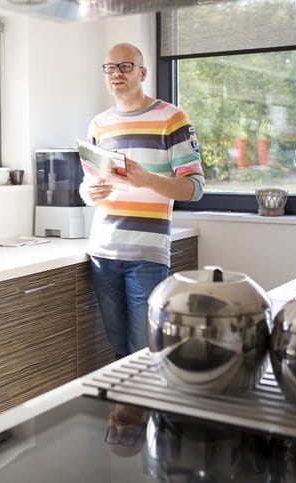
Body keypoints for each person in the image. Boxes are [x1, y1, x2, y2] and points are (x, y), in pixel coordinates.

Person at [79, 42, 204, 359]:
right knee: (119, 349)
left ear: (143, 72)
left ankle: (150, 409)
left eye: (125, 66)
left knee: (143, 349)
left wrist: (146, 178)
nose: (116, 73)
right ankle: (128, 410)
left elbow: (195, 187)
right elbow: (89, 183)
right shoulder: (99, 124)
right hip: (103, 250)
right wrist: (89, 193)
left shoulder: (171, 119)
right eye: (110, 67)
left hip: (146, 253)